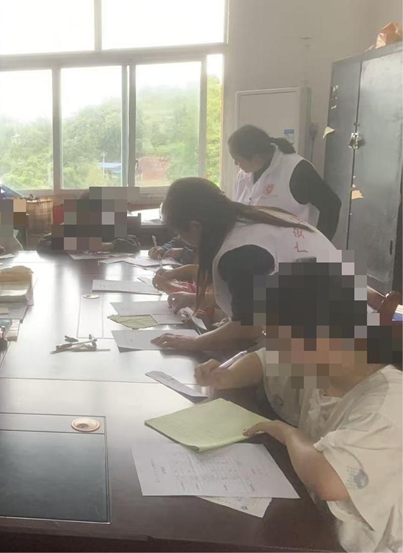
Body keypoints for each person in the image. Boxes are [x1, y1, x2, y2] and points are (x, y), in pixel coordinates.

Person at [195, 261, 401, 553]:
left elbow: (329, 481)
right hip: (316, 528)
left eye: (281, 338)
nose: (276, 348)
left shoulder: (389, 404)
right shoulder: (321, 369)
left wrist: (288, 433)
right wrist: (226, 376)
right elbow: (264, 361)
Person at [150, 178, 339, 352]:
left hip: (329, 342)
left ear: (195, 226)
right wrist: (197, 298)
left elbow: (250, 326)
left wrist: (194, 342)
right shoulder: (252, 219)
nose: (183, 240)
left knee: (223, 368)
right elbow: (254, 299)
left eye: (180, 233)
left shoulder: (239, 253)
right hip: (333, 317)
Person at [230, 125, 341, 240]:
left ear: (257, 158)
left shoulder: (298, 170)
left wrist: (319, 244)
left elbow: (331, 205)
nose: (236, 164)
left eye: (238, 160)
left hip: (292, 246)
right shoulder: (244, 174)